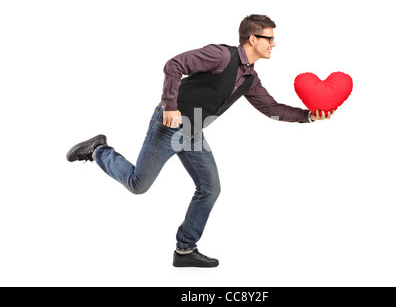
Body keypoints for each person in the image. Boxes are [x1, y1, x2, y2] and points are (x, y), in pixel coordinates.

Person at [66, 14, 333, 268]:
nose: (273, 44)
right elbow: (174, 65)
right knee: (138, 184)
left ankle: (185, 250)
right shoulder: (220, 55)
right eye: (269, 39)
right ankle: (98, 150)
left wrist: (308, 116)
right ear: (252, 39)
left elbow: (271, 108)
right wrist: (170, 106)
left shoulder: (250, 79)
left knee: (210, 187)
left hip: (193, 130)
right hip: (170, 124)